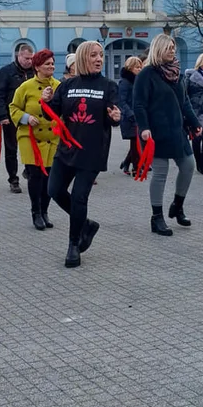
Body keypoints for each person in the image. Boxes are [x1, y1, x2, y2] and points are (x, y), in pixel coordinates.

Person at [46, 41, 120, 268]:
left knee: (79, 197)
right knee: (54, 190)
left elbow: (113, 114)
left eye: (100, 55)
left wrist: (116, 117)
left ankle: (73, 245)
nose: (99, 59)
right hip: (67, 148)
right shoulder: (67, 85)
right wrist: (47, 101)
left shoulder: (108, 86)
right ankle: (86, 225)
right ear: (81, 59)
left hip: (92, 150)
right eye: (93, 55)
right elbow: (53, 114)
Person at [133, 34, 201, 236]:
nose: (172, 50)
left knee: (188, 166)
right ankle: (157, 217)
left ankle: (177, 205)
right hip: (155, 132)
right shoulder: (146, 74)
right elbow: (139, 104)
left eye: (173, 47)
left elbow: (185, 102)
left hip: (177, 130)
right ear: (158, 49)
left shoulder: (177, 74)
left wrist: (194, 123)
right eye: (168, 47)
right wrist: (144, 127)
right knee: (160, 174)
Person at [9, 49, 60, 230]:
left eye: (53, 63)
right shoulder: (25, 87)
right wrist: (26, 118)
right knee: (35, 176)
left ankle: (45, 211)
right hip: (29, 138)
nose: (51, 66)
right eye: (47, 64)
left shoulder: (58, 86)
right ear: (37, 67)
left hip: (52, 139)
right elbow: (13, 108)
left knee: (50, 178)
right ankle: (35, 212)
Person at [0, 44, 35, 193]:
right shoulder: (7, 72)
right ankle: (13, 179)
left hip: (30, 117)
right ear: (19, 56)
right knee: (11, 149)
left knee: (31, 145)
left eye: (31, 58)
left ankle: (29, 171)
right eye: (26, 58)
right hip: (11, 117)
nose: (29, 61)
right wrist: (2, 116)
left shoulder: (34, 72)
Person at [118, 56, 143, 174]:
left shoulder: (138, 81)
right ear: (130, 68)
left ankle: (127, 162)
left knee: (136, 141)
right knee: (134, 142)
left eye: (140, 67)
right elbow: (121, 101)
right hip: (129, 117)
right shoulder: (125, 82)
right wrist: (130, 114)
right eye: (137, 67)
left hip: (138, 115)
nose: (139, 69)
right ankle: (136, 167)